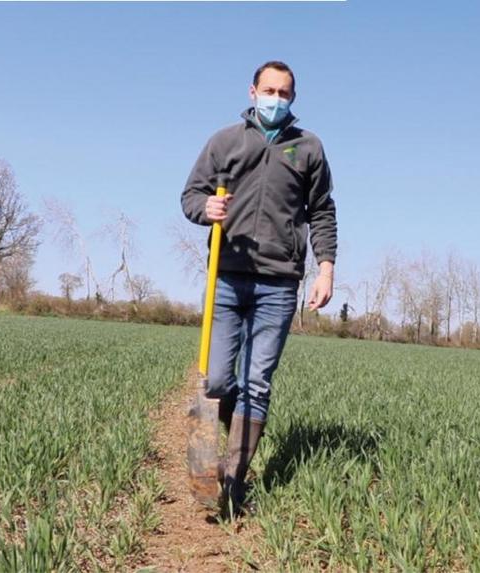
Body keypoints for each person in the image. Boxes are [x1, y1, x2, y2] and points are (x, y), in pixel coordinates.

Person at [181, 61, 337, 514]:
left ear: (293, 98)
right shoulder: (225, 141)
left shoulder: (308, 147)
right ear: (252, 92)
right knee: (217, 379)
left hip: (279, 282)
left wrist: (325, 268)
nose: (275, 98)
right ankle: (218, 441)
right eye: (268, 90)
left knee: (257, 383)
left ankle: (233, 480)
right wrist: (204, 207)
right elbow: (190, 195)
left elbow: (323, 211)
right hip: (227, 276)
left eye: (284, 92)